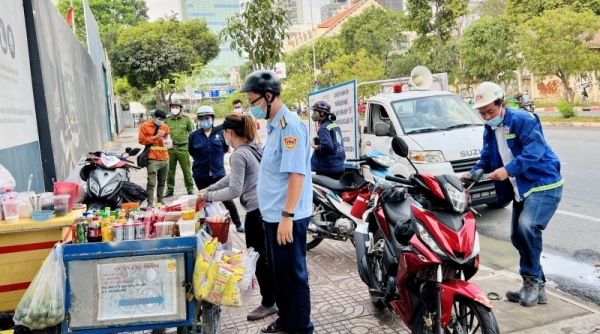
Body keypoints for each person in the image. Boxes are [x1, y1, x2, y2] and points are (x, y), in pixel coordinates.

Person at [462, 82, 563, 308]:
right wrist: (476, 171)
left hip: (543, 183)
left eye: (490, 111)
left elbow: (534, 152)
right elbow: (487, 156)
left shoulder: (523, 120)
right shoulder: (489, 129)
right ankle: (538, 287)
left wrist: (507, 170)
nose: (487, 117)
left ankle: (531, 282)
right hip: (522, 187)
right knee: (518, 236)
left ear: (502, 105)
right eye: (483, 113)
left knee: (528, 228)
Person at [240, 70, 313, 334]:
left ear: (268, 96)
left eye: (253, 101)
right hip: (273, 216)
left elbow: (296, 174)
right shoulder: (273, 126)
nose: (252, 108)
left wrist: (287, 216)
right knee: (280, 275)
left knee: (292, 276)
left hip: (287, 217)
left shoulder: (289, 126)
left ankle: (301, 328)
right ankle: (287, 319)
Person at [197, 112, 277, 320]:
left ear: (229, 132)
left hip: (255, 212)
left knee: (259, 258)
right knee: (266, 256)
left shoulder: (239, 154)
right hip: (265, 208)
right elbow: (233, 176)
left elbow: (234, 190)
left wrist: (208, 196)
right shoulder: (253, 147)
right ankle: (273, 298)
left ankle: (269, 303)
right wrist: (208, 189)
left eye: (224, 132)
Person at [188, 106, 245, 233]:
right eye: (201, 119)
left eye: (207, 118)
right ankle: (211, 226)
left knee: (227, 199)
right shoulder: (194, 136)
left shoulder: (221, 133)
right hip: (200, 174)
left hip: (218, 172)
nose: (204, 121)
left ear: (212, 119)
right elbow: (191, 152)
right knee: (205, 199)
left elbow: (225, 149)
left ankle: (238, 224)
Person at [138, 110, 170, 206]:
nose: (161, 121)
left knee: (162, 182)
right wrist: (156, 136)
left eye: (163, 120)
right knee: (151, 182)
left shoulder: (165, 127)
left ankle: (160, 201)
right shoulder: (144, 126)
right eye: (160, 119)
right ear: (154, 117)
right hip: (152, 158)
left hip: (165, 157)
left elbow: (168, 142)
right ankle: (150, 203)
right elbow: (141, 140)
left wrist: (168, 141)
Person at [164, 99, 195, 197]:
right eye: (173, 107)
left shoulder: (186, 119)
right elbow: (164, 135)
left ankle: (190, 188)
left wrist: (192, 147)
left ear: (180, 108)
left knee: (186, 170)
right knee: (170, 170)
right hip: (170, 149)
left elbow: (191, 134)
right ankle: (169, 189)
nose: (174, 109)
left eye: (176, 107)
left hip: (183, 148)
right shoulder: (167, 120)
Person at [310, 100, 346, 179]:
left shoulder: (323, 128)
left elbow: (327, 146)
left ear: (322, 113)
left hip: (328, 169)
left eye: (315, 112)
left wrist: (313, 146)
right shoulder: (333, 125)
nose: (313, 115)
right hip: (338, 166)